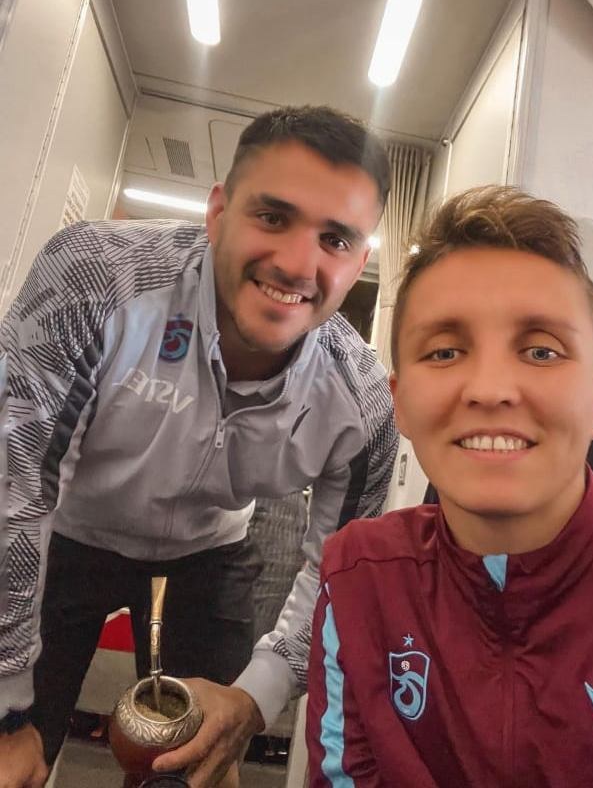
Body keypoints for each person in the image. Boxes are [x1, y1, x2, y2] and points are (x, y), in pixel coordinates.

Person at [0, 105, 398, 788]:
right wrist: (6, 707)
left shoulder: (361, 400)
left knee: (197, 771)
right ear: (217, 213)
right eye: (271, 217)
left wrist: (256, 696)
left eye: (334, 239)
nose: (296, 264)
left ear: (360, 261)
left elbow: (341, 571)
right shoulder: (95, 275)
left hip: (212, 553)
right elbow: (14, 482)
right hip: (67, 532)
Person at [307, 185, 593, 786]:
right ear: (400, 403)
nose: (491, 389)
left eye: (542, 352)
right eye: (444, 352)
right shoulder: (359, 580)